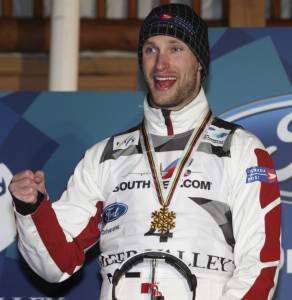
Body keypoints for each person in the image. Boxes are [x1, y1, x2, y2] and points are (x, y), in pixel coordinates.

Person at [9, 3, 281, 300]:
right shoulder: (105, 157)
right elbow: (55, 263)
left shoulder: (241, 150)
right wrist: (31, 208)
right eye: (151, 50)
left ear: (200, 63)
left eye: (175, 49)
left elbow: (260, 264)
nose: (161, 64)